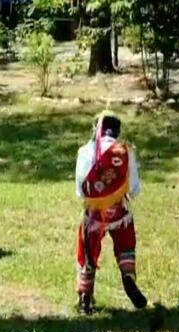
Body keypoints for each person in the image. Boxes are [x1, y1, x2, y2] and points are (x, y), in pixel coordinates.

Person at [74, 111, 148, 314]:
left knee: (88, 250)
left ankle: (85, 295)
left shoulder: (85, 151)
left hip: (94, 213)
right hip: (119, 213)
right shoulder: (125, 152)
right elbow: (134, 189)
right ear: (117, 131)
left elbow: (80, 189)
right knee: (126, 242)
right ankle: (127, 275)